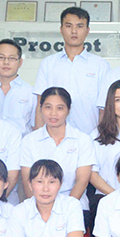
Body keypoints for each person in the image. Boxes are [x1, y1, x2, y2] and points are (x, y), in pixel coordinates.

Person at [20, 87, 95, 223]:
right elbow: (27, 181)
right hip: (38, 208)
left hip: (74, 206)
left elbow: (82, 181)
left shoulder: (82, 140)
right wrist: (41, 209)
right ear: (40, 108)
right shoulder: (29, 140)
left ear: (68, 110)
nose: (53, 113)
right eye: (48, 107)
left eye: (60, 108)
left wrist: (65, 210)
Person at [33, 6, 110, 134]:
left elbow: (104, 108)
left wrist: (100, 139)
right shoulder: (48, 64)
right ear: (61, 29)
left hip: (90, 137)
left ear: (87, 30)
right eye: (69, 26)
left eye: (80, 26)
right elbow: (40, 105)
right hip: (54, 138)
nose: (74, 31)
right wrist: (39, 138)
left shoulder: (101, 65)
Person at [0, 38, 36, 136]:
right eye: (1, 57)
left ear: (20, 62)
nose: (6, 62)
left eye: (12, 58)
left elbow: (35, 127)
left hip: (21, 144)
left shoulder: (31, 93)